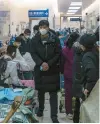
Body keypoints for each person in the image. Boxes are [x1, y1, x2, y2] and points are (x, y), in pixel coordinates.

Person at [31, 20, 60, 123]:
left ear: (48, 27)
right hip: (40, 69)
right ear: (39, 28)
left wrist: (49, 63)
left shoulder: (55, 39)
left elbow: (58, 53)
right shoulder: (34, 40)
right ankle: (41, 110)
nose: (43, 29)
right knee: (41, 92)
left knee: (53, 94)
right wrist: (41, 63)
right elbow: (33, 53)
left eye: (45, 27)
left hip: (52, 69)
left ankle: (54, 116)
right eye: (41, 27)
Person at [62, 32, 79, 120]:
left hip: (67, 73)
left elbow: (62, 62)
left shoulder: (64, 49)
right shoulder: (78, 49)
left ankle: (69, 112)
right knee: (78, 94)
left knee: (68, 94)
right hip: (77, 74)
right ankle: (77, 111)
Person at [72, 40, 83, 123]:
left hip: (76, 81)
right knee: (80, 104)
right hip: (81, 82)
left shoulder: (76, 53)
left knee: (77, 103)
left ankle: (75, 120)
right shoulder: (84, 55)